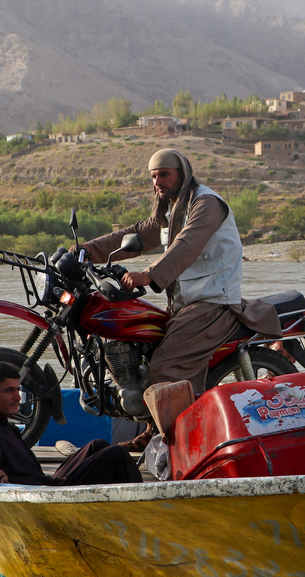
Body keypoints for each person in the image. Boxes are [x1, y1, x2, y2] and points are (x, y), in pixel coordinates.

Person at [81, 148, 282, 397]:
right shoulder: (172, 210)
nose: (158, 182)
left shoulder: (206, 204)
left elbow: (186, 245)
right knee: (144, 353)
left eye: (164, 174)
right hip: (185, 306)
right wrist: (86, 250)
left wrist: (150, 274)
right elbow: (137, 234)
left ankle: (171, 435)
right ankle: (151, 428)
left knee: (166, 368)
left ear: (183, 174)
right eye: (153, 177)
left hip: (212, 306)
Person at [0, 362, 142, 486]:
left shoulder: (2, 425)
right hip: (43, 493)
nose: (17, 397)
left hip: (46, 481)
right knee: (117, 453)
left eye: (17, 389)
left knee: (97, 446)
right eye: (8, 391)